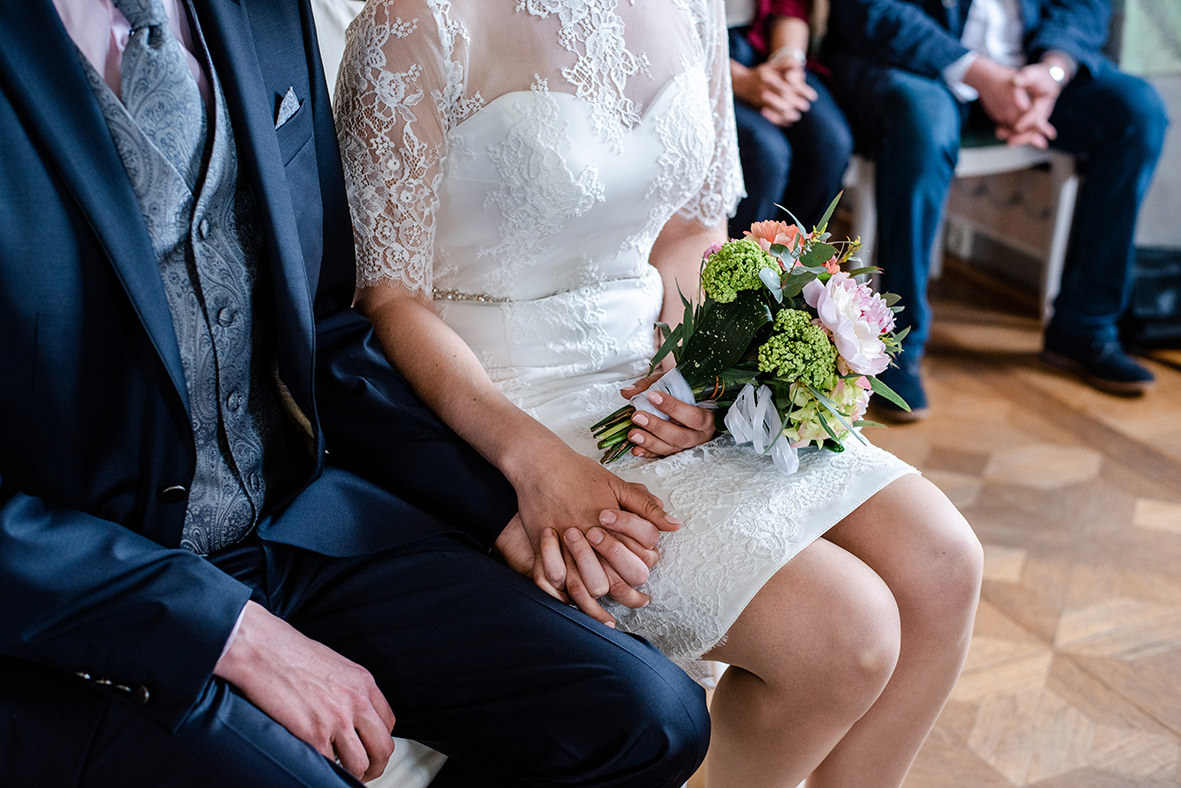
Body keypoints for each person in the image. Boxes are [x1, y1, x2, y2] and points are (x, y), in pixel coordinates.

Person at [0, 1, 714, 786]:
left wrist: (493, 500)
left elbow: (325, 328)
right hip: (80, 590)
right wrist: (227, 632)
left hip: (293, 523)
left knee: (648, 717)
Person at [333, 1, 984, 786]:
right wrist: (532, 461)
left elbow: (688, 233)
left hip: (650, 369)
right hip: (504, 398)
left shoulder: (694, 7)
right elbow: (390, 297)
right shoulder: (415, 22)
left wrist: (695, 374)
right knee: (844, 634)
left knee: (944, 563)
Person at [824, 0, 1170, 418]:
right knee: (923, 124)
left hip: (1030, 71)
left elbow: (1086, 6)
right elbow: (870, 10)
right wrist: (980, 74)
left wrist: (1052, 74)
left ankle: (1085, 327)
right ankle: (896, 345)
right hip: (915, 61)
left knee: (1138, 113)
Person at [726, 0, 854, 234]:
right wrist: (738, 80)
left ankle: (794, 264)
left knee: (829, 144)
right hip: (698, 57)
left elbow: (791, 7)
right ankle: (740, 263)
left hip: (765, 42)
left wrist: (789, 64)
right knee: (765, 152)